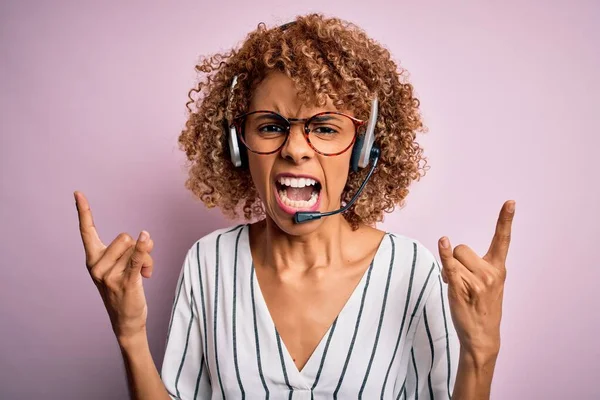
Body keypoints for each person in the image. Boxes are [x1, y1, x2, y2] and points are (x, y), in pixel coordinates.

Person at [74, 13, 515, 400]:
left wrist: (481, 354)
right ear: (237, 146)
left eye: (324, 128)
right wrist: (130, 334)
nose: (296, 149)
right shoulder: (207, 264)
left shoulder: (413, 272)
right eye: (271, 126)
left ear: (362, 150)